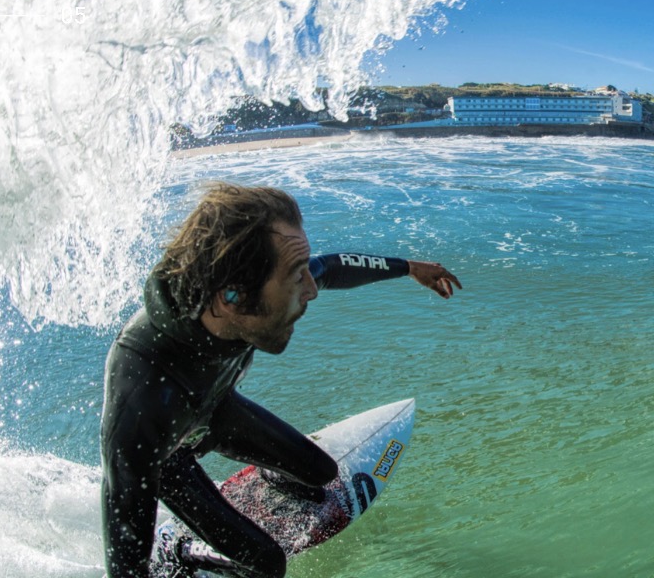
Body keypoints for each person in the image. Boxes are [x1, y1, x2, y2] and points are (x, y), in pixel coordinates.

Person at [100, 182, 461, 578]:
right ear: (231, 297)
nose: (311, 288)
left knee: (321, 476)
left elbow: (333, 267)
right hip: (166, 456)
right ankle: (179, 552)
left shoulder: (236, 295)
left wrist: (409, 268)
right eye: (295, 277)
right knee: (268, 564)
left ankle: (263, 479)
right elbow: (124, 546)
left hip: (212, 408)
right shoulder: (143, 400)